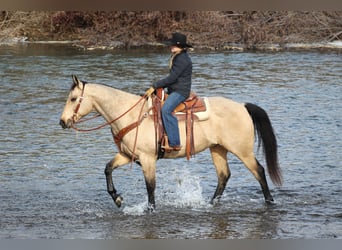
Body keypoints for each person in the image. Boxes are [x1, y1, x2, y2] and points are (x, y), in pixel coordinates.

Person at [152, 32, 193, 152]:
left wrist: (156, 85)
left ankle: (175, 142)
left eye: (173, 45)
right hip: (174, 89)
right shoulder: (178, 56)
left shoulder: (182, 59)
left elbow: (173, 78)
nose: (170, 46)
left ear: (179, 46)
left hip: (180, 91)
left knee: (166, 110)